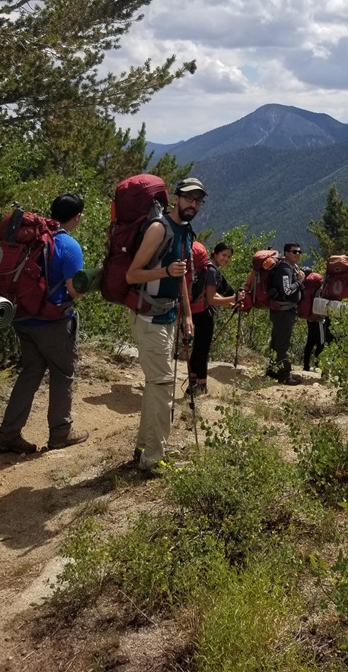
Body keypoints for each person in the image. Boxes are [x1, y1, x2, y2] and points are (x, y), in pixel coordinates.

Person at [0, 193, 88, 454]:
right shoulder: (69, 246)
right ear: (77, 217)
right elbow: (73, 290)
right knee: (63, 372)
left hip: (21, 316)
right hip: (52, 321)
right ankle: (61, 433)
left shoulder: (34, 238)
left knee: (31, 372)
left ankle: (7, 435)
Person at [126, 176, 205, 473]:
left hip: (168, 316)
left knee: (155, 385)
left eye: (198, 200)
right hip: (149, 317)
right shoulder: (159, 228)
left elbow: (182, 276)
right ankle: (154, 458)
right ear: (176, 198)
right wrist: (163, 271)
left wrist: (187, 315)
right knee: (162, 386)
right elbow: (131, 275)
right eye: (188, 198)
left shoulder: (185, 232)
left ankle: (144, 447)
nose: (193, 204)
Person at [188, 241, 241, 396]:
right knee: (202, 350)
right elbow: (211, 299)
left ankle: (192, 383)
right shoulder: (213, 271)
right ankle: (202, 385)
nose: (226, 259)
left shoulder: (208, 267)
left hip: (197, 311)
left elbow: (208, 293)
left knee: (198, 349)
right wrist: (234, 297)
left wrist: (230, 304)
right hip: (205, 314)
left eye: (229, 257)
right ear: (215, 253)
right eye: (224, 255)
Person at [266, 242, 305, 385]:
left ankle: (272, 369)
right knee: (283, 343)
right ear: (286, 253)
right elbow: (287, 290)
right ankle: (285, 375)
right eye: (294, 252)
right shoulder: (284, 269)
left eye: (299, 252)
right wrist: (300, 282)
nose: (298, 254)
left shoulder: (290, 268)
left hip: (281, 311)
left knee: (276, 341)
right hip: (283, 312)